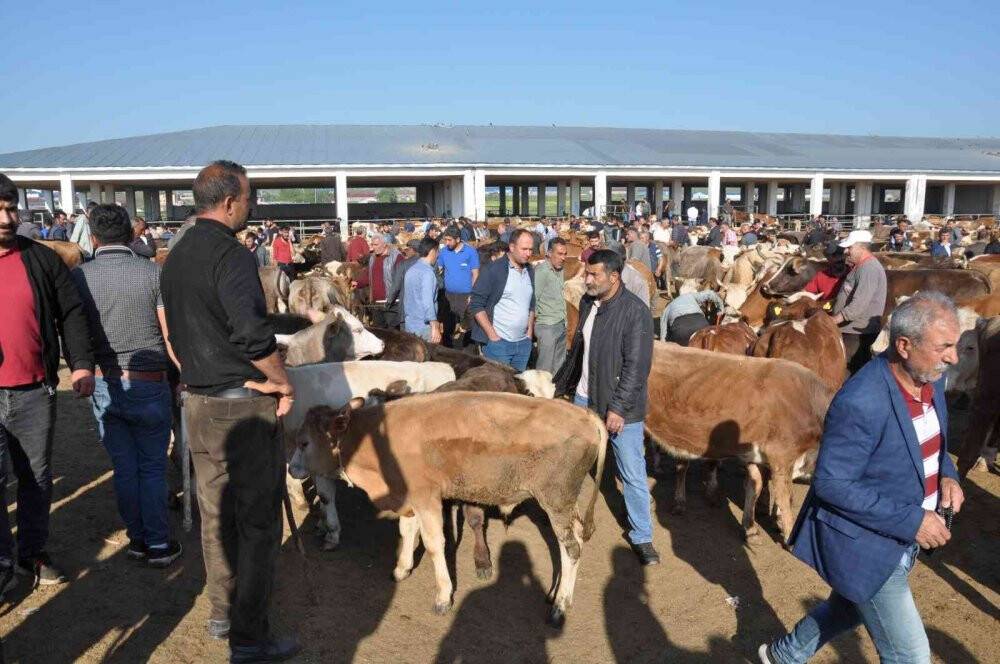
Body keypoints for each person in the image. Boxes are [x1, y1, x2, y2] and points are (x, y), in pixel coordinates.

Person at [759, 292, 964, 664]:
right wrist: (914, 519)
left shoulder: (930, 379)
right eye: (944, 347)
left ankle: (783, 655)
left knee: (850, 606)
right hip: (868, 543)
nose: (953, 357)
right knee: (910, 656)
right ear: (904, 345)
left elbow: (932, 443)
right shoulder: (862, 399)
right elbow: (832, 483)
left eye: (955, 345)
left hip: (900, 537)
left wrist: (947, 475)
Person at [160, 161, 299, 660]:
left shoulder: (175, 256)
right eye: (249, 197)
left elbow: (173, 333)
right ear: (228, 203)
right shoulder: (231, 255)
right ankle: (249, 637)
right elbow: (252, 335)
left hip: (197, 403)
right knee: (258, 526)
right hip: (240, 410)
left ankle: (222, 612)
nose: (251, 205)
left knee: (216, 516)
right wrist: (283, 382)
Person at [72, 204, 182, 568]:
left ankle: (137, 539)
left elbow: (76, 335)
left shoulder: (80, 278)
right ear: (132, 234)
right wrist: (183, 376)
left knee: (124, 468)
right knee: (152, 467)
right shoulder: (152, 273)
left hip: (105, 382)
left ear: (93, 236)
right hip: (151, 382)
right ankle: (158, 543)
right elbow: (170, 337)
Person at [0, 173, 94, 593]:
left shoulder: (41, 259)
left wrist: (80, 364)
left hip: (35, 390)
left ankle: (31, 552)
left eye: (10, 208)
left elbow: (70, 312)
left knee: (35, 477)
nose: (6, 217)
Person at [553, 250, 657, 565]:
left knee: (631, 472)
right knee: (575, 463)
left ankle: (643, 536)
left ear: (614, 277)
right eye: (587, 273)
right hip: (585, 400)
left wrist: (619, 408)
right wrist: (564, 387)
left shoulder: (635, 312)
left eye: (593, 275)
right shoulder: (587, 303)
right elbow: (578, 351)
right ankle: (569, 521)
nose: (587, 279)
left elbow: (637, 367)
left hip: (620, 407)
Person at [469, 228, 535, 371]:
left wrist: (529, 333)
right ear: (511, 247)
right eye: (524, 249)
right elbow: (476, 304)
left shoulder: (529, 270)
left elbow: (531, 304)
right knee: (498, 387)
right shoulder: (493, 269)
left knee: (518, 387)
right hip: (499, 344)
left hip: (522, 344)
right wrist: (493, 336)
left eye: (531, 249)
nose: (529, 253)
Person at [832, 230, 887, 374]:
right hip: (850, 329)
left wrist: (833, 321)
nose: (846, 251)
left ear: (860, 247)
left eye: (849, 247)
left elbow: (859, 304)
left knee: (849, 372)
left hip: (857, 332)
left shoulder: (869, 268)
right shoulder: (861, 266)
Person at [437, 225, 480, 348]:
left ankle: (467, 350)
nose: (447, 243)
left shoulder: (470, 252)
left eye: (449, 240)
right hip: (448, 296)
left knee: (467, 326)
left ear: (458, 239)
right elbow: (440, 270)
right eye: (445, 240)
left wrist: (472, 294)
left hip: (465, 296)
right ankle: (449, 351)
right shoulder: (444, 252)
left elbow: (475, 274)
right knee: (448, 326)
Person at [533, 237, 568, 375]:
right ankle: (541, 396)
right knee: (544, 369)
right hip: (547, 325)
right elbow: (533, 299)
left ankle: (554, 394)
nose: (563, 258)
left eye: (565, 254)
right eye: (559, 254)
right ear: (548, 253)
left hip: (561, 323)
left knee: (558, 366)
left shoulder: (560, 270)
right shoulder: (541, 271)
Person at [356, 234, 404, 328]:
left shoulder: (397, 257)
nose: (373, 248)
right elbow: (368, 275)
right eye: (372, 244)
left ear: (385, 244)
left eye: (376, 245)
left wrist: (392, 298)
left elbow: (400, 280)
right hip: (377, 304)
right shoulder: (373, 258)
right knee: (379, 334)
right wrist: (357, 283)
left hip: (392, 304)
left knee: (393, 334)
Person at [403, 238, 442, 342]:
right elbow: (428, 300)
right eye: (438, 252)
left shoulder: (411, 270)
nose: (438, 256)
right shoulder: (428, 273)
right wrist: (434, 325)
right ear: (432, 251)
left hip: (410, 324)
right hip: (424, 327)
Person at [659, 289, 724, 345]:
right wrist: (721, 307)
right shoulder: (689, 296)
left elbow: (663, 334)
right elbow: (710, 293)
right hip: (701, 324)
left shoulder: (667, 309)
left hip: (681, 330)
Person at [385, 239, 422, 328]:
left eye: (407, 250)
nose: (406, 252)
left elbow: (395, 287)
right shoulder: (428, 264)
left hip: (407, 310)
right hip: (423, 310)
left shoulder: (403, 265)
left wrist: (389, 302)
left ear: (413, 250)